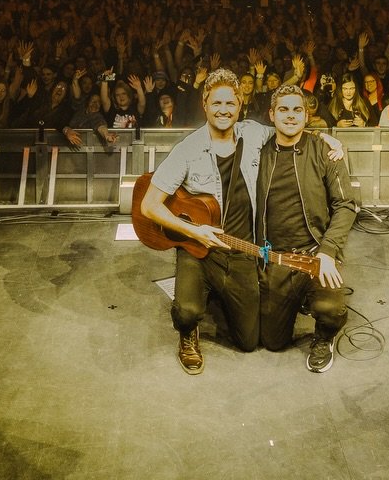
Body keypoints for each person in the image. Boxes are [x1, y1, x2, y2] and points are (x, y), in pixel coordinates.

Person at [140, 69, 274, 374]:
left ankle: (215, 294)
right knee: (187, 311)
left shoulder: (254, 134)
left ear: (240, 104)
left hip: (239, 249)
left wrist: (326, 139)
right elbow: (149, 205)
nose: (223, 110)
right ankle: (189, 328)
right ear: (205, 104)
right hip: (198, 250)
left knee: (248, 341)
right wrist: (193, 231)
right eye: (216, 103)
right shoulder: (188, 149)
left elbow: (289, 129)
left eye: (230, 103)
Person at [255, 85, 358, 372]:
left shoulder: (326, 151)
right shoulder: (258, 152)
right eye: (283, 110)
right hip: (277, 257)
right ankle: (300, 297)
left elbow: (346, 205)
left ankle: (324, 335)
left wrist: (328, 251)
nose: (290, 116)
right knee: (273, 341)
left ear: (306, 115)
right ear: (272, 114)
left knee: (329, 309)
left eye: (297, 110)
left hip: (315, 253)